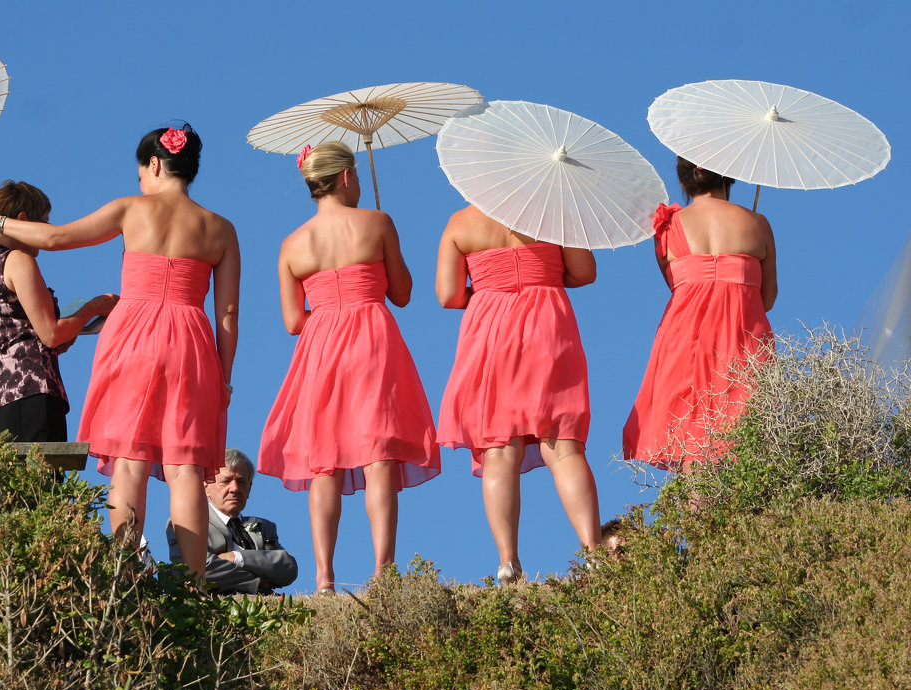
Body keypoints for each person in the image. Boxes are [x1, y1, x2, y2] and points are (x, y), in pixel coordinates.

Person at [0, 126, 240, 580]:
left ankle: (127, 573)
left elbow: (56, 239)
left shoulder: (131, 209)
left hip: (133, 334)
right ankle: (193, 588)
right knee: (186, 467)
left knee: (131, 460)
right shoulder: (221, 229)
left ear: (153, 165)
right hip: (192, 340)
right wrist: (223, 375)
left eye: (140, 175)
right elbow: (227, 313)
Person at [258, 142, 440, 594]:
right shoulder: (377, 223)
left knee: (325, 461)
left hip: (320, 347)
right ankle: (384, 570)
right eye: (356, 176)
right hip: (373, 338)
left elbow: (291, 322)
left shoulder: (291, 245)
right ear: (345, 177)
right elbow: (402, 293)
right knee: (379, 456)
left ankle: (324, 577)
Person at [435, 204, 602, 584]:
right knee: (563, 445)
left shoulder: (460, 222)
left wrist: (490, 286)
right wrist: (543, 272)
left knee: (499, 448)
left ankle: (508, 561)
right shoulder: (555, 211)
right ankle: (593, 554)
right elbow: (585, 272)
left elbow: (447, 295)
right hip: (548, 319)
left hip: (489, 327)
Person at [623, 157, 777, 470]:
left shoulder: (668, 227)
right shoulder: (757, 223)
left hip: (684, 338)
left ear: (683, 183)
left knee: (689, 430)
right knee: (744, 429)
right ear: (729, 177)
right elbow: (768, 297)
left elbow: (677, 286)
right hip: (743, 337)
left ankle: (698, 518)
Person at [0, 180, 119, 442]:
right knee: (43, 481)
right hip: (31, 393)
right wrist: (94, 307)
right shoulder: (18, 260)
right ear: (23, 219)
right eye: (44, 222)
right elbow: (51, 335)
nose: (47, 230)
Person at [166, 448, 297, 594]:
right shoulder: (187, 523)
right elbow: (197, 569)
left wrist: (237, 557)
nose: (234, 488)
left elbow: (287, 567)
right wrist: (258, 581)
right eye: (225, 481)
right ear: (206, 486)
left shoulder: (264, 527)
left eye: (241, 482)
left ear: (250, 488)